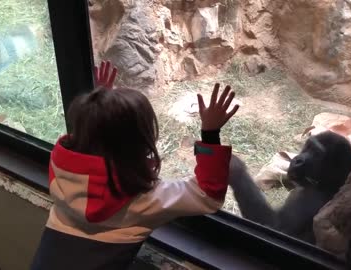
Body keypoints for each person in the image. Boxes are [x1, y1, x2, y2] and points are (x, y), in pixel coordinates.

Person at [31, 61, 239, 269]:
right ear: (140, 144)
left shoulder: (61, 175)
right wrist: (210, 134)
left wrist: (101, 107)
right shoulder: (142, 201)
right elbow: (207, 196)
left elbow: (91, 141)